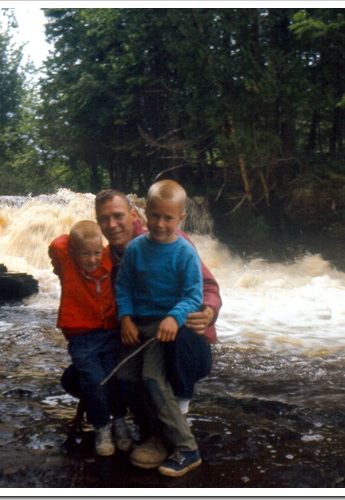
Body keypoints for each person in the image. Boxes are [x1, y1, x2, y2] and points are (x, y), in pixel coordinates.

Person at [62, 187, 222, 468]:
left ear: (134, 214)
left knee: (154, 371)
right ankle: (133, 425)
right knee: (86, 376)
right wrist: (123, 318)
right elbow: (67, 253)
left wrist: (208, 311)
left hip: (184, 343)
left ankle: (168, 437)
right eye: (104, 219)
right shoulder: (99, 256)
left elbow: (204, 288)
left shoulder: (175, 242)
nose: (112, 224)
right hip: (133, 331)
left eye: (118, 215)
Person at [114, 179, 205, 477]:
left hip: (164, 327)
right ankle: (148, 431)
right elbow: (124, 286)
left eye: (168, 217)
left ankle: (186, 447)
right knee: (126, 377)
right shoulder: (136, 248)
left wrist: (173, 317)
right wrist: (125, 317)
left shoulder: (185, 253)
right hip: (136, 326)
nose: (160, 223)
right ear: (144, 212)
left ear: (181, 218)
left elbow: (194, 295)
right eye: (155, 215)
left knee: (152, 377)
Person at [48, 220, 132, 456]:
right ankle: (102, 429)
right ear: (73, 252)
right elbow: (57, 244)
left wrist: (93, 243)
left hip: (110, 333)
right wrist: (79, 241)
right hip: (82, 337)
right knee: (94, 382)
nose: (92, 259)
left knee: (115, 380)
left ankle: (120, 423)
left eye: (96, 252)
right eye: (85, 254)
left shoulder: (107, 258)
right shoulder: (67, 264)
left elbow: (111, 249)